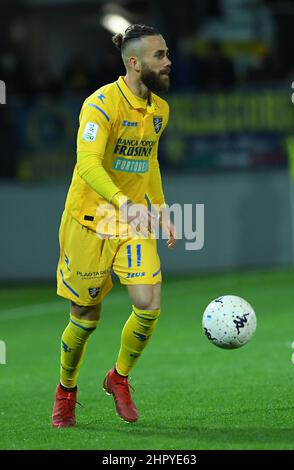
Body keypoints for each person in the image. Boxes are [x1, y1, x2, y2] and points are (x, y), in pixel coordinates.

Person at [52, 24, 176, 427]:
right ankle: (66, 389)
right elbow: (87, 163)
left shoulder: (160, 110)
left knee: (148, 304)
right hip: (90, 220)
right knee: (85, 316)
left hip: (132, 222)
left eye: (167, 53)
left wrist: (159, 208)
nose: (169, 61)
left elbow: (150, 160)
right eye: (160, 56)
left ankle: (118, 378)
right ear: (135, 63)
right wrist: (124, 203)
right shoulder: (101, 105)